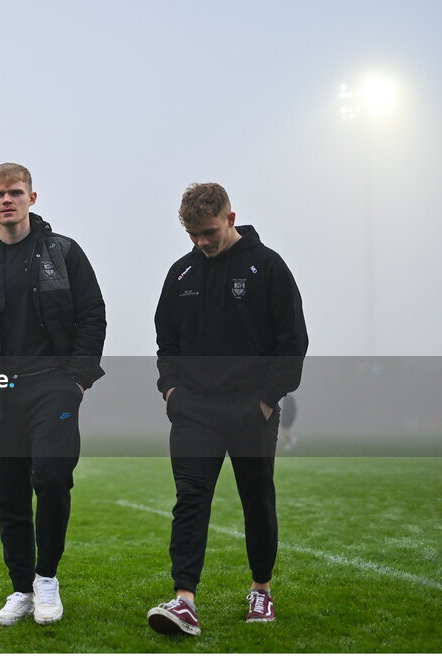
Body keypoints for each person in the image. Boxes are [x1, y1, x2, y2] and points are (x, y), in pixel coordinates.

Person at [0, 163, 106, 626]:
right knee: (7, 495)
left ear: (32, 198)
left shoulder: (64, 252)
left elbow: (92, 316)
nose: (7, 200)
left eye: (16, 192)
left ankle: (47, 579)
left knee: (52, 478)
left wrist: (76, 380)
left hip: (51, 386)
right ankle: (20, 589)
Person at [148, 183, 308, 635]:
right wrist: (171, 390)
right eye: (194, 235)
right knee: (191, 501)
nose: (202, 242)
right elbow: (167, 340)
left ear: (231, 218)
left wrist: (265, 399)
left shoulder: (268, 267)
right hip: (194, 411)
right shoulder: (180, 274)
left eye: (210, 232)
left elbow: (292, 341)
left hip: (249, 410)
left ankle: (261, 589)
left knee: (256, 501)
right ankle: (184, 601)